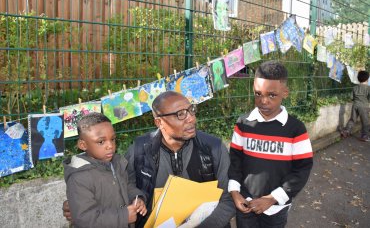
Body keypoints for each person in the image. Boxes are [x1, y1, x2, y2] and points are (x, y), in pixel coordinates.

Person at [63, 91, 235, 227]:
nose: (191, 118)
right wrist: (79, 203)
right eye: (180, 114)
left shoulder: (213, 148)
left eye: (191, 110)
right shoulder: (139, 150)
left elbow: (229, 199)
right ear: (159, 122)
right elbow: (122, 186)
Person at [228, 61, 313, 228]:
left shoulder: (295, 129)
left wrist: (272, 198)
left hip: (276, 208)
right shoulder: (243, 124)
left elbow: (302, 169)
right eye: (258, 94)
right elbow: (235, 160)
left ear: (285, 93)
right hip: (245, 203)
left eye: (271, 95)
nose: (263, 101)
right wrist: (235, 192)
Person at [63, 112, 147, 228]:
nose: (110, 146)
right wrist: (123, 217)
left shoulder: (117, 163)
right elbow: (85, 219)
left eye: (112, 139)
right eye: (101, 142)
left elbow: (126, 186)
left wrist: (137, 198)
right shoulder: (79, 177)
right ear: (83, 145)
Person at [340, 70, 370, 141]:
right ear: (367, 79)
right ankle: (364, 136)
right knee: (365, 121)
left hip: (355, 105)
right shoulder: (368, 88)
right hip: (364, 106)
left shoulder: (355, 88)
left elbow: (352, 98)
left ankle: (346, 131)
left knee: (352, 119)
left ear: (358, 79)